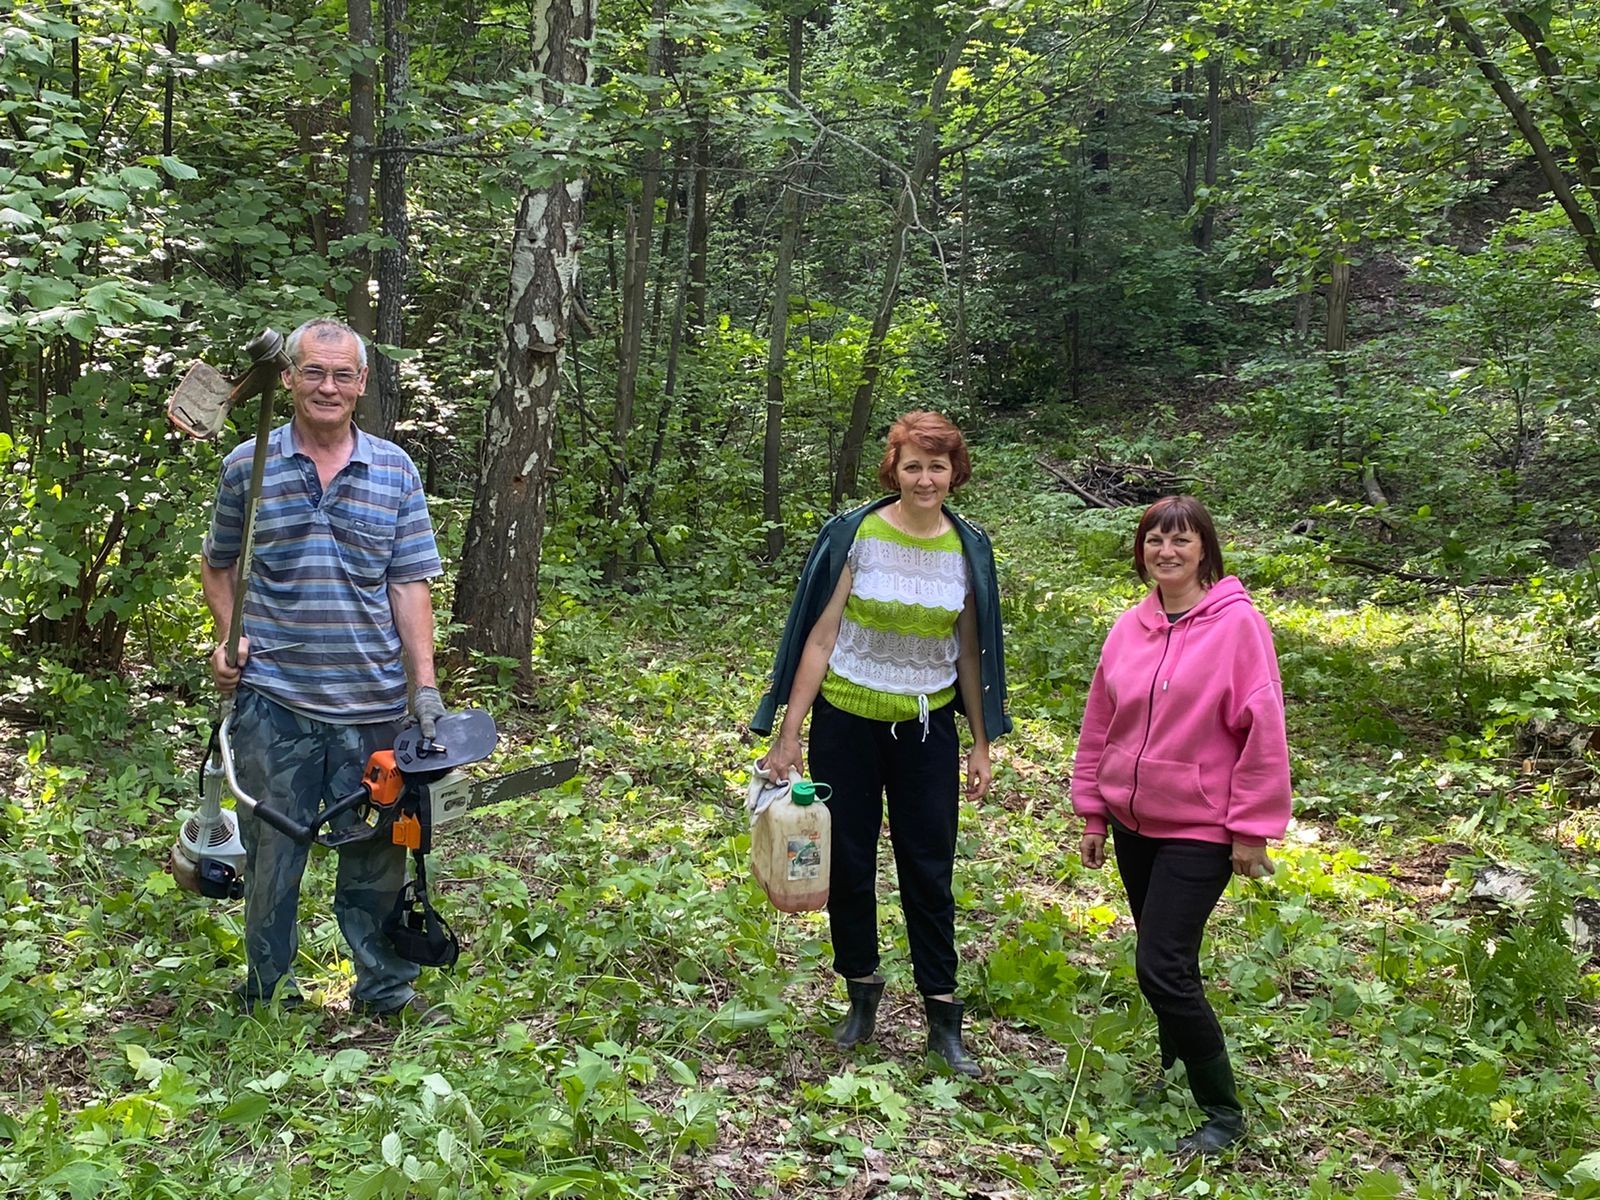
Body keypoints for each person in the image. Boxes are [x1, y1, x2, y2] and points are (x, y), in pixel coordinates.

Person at [202, 317, 448, 1020]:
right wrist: (229, 640)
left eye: (343, 375)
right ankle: (268, 992)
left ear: (363, 385)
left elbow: (409, 585)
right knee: (272, 855)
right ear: (289, 379)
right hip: (273, 701)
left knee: (376, 854)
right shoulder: (247, 468)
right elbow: (219, 565)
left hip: (371, 702)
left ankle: (384, 992)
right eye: (313, 372)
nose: (328, 387)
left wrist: (423, 688)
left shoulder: (394, 470)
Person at [752, 411, 1010, 1077]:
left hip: (927, 730)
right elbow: (820, 636)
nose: (925, 479)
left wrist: (981, 742)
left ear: (956, 473)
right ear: (892, 470)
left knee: (930, 869)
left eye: (937, 466)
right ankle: (861, 993)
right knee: (848, 863)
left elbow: (972, 657)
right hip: (847, 724)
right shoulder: (857, 535)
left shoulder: (968, 547)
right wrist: (789, 733)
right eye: (913, 466)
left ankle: (942, 1017)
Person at [1071, 495, 1291, 1156]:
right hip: (1134, 823)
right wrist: (1092, 811)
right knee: (1168, 956)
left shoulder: (1238, 627)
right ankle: (1171, 1071)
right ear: (1142, 552)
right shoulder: (1128, 627)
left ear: (1205, 551)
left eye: (1181, 541)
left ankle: (1222, 1111)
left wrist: (1251, 829)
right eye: (1155, 541)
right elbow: (1099, 724)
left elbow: (1263, 728)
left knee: (1161, 965)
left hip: (1200, 826)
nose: (1166, 552)